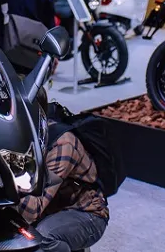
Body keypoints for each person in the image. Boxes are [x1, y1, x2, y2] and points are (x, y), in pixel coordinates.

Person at [18, 90, 109, 252]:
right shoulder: (24, 136)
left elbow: (31, 211)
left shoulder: (61, 144)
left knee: (42, 238)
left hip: (85, 214)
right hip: (52, 208)